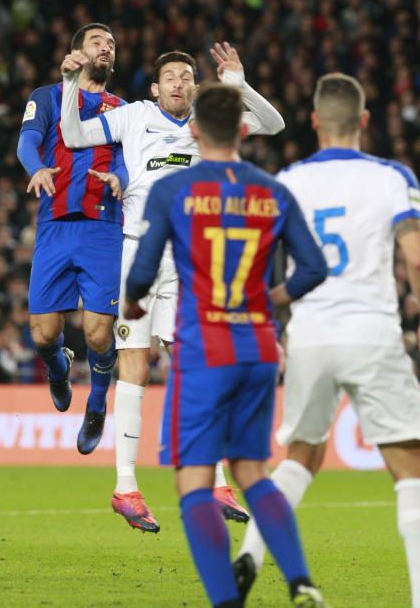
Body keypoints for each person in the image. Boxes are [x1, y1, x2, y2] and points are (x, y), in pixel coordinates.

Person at [60, 42, 285, 532]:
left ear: (196, 85)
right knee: (133, 364)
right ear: (156, 87)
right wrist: (70, 83)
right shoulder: (133, 116)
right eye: (171, 77)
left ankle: (218, 479)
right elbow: (73, 134)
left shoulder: (210, 118)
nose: (179, 83)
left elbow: (273, 125)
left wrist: (239, 84)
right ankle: (125, 487)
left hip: (191, 257)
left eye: (186, 76)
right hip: (140, 248)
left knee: (202, 360)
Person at [123, 82, 328, 607]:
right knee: (253, 472)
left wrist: (133, 304)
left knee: (193, 481)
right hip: (259, 348)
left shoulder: (175, 192)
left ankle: (225, 601)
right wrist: (271, 297)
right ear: (242, 129)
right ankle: (300, 580)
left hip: (204, 350)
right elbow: (314, 268)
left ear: (194, 130)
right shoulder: (272, 189)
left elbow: (143, 272)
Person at [236, 73, 420, 608]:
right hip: (371, 331)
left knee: (299, 458)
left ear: (314, 122)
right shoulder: (392, 177)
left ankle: (250, 551)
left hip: (310, 333)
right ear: (364, 122)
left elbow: (260, 262)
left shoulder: (288, 180)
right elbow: (414, 255)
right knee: (409, 467)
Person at [17, 23, 127, 454]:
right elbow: (27, 142)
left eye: (112, 44)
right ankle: (58, 366)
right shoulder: (45, 97)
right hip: (55, 227)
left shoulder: (123, 109)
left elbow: (129, 159)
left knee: (99, 335)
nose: (107, 48)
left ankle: (97, 404)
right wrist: (36, 169)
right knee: (43, 335)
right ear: (77, 52)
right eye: (98, 41)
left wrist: (120, 177)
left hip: (104, 228)